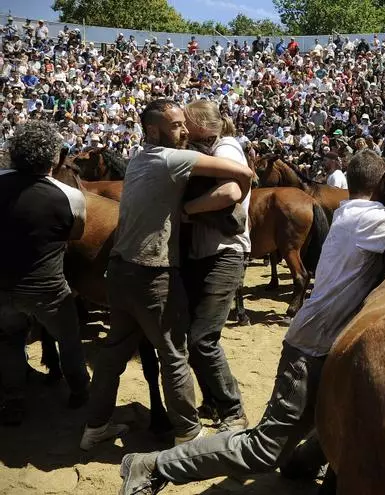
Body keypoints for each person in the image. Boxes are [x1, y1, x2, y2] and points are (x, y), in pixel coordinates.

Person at [117, 150, 385, 495]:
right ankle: (152, 465)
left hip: (317, 340)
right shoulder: (374, 220)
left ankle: (302, 462)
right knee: (264, 446)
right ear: (383, 185)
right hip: (312, 347)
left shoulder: (349, 210)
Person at [80, 100, 254, 450]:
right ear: (153, 131)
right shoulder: (171, 159)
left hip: (119, 271)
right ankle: (188, 431)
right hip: (152, 272)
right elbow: (244, 176)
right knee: (174, 355)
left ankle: (94, 427)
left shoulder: (138, 160)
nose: (184, 130)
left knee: (113, 352)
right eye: (176, 125)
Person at [0, 121, 90, 426]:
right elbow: (75, 234)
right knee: (69, 338)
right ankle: (79, 390)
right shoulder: (70, 196)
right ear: (56, 158)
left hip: (2, 286)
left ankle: (13, 401)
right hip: (47, 287)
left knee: (10, 340)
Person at [180, 100, 251, 432]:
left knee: (202, 338)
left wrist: (188, 210)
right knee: (193, 336)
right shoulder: (209, 149)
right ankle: (212, 401)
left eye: (187, 122)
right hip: (204, 253)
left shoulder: (225, 147)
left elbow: (230, 191)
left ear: (202, 125)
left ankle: (233, 410)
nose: (182, 127)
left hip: (226, 252)